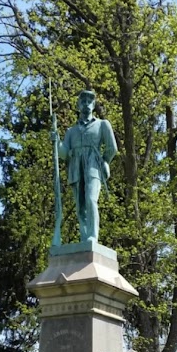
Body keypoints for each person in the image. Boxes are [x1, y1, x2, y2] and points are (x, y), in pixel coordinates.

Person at [54, 89, 117, 244]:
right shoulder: (71, 131)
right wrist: (56, 141)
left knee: (90, 199)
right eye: (83, 101)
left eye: (90, 102)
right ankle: (84, 237)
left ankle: (93, 236)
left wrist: (105, 161)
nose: (86, 104)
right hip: (76, 168)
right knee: (80, 206)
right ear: (78, 105)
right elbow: (64, 153)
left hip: (93, 166)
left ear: (94, 105)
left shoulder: (102, 125)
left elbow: (112, 148)